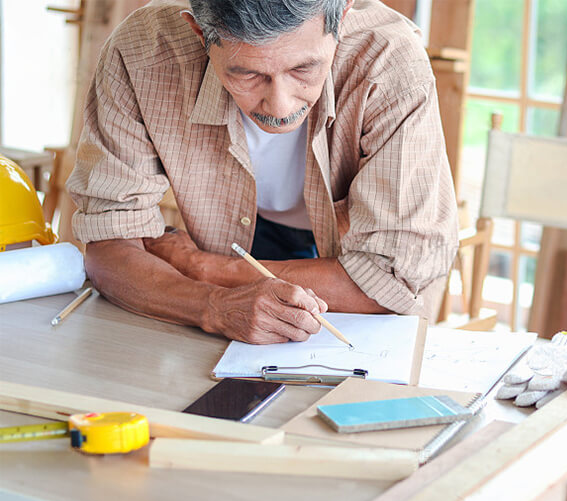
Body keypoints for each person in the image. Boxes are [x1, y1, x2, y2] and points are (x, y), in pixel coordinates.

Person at [66, 0, 458, 344]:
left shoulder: (389, 60)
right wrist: (213, 307)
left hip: (346, 251)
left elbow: (389, 282)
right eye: (247, 74)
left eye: (304, 69)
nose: (280, 104)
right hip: (232, 234)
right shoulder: (142, 51)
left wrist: (202, 268)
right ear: (200, 32)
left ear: (344, 13)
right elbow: (110, 244)